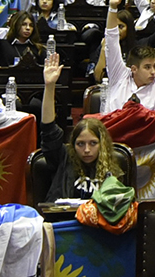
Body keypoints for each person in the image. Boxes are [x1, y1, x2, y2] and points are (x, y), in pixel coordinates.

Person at [37, 48, 127, 200]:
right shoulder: (63, 158)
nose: (87, 150)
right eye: (80, 144)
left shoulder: (113, 167)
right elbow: (48, 129)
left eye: (93, 143)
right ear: (72, 144)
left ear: (102, 143)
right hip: (64, 220)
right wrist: (50, 86)